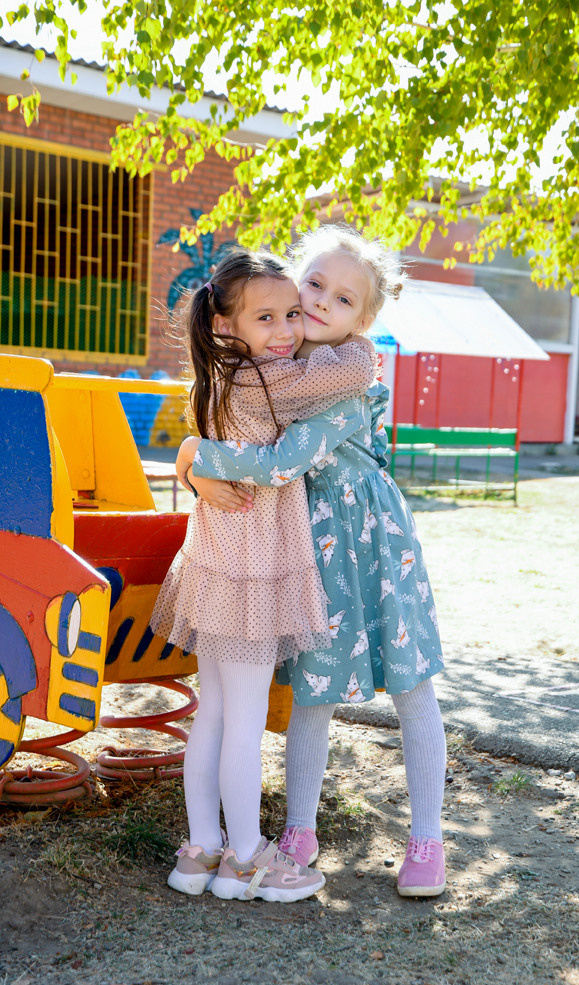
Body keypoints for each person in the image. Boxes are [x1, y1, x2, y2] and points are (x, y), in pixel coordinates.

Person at [178, 226, 447, 897]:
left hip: (374, 545)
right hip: (303, 548)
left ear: (366, 319)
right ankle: (298, 830)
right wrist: (196, 463)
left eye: (345, 298)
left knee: (411, 685)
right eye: (315, 285)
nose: (324, 302)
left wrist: (192, 457)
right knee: (313, 689)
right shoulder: (274, 366)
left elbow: (277, 462)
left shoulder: (347, 378)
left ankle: (427, 840)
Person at [151, 246, 376, 902]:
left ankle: (201, 851)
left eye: (291, 315)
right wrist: (348, 337)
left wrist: (194, 455)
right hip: (254, 573)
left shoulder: (217, 375)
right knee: (242, 721)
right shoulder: (275, 379)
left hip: (216, 568)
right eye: (267, 319)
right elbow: (359, 368)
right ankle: (247, 858)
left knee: (214, 715)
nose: (287, 331)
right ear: (226, 326)